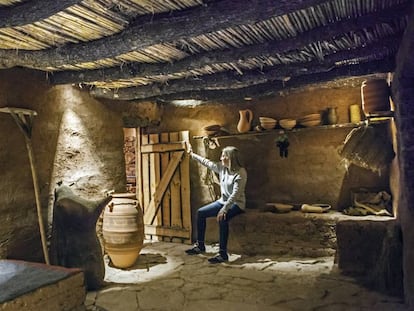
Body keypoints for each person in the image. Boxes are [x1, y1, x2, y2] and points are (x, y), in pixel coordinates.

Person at [185, 144, 247, 263]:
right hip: (223, 202)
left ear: (231, 158)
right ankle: (200, 246)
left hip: (236, 204)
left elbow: (235, 195)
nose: (221, 158)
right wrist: (192, 155)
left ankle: (223, 254)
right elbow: (207, 163)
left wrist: (224, 209)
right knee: (201, 213)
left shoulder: (240, 173)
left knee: (222, 218)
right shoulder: (221, 168)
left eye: (224, 156)